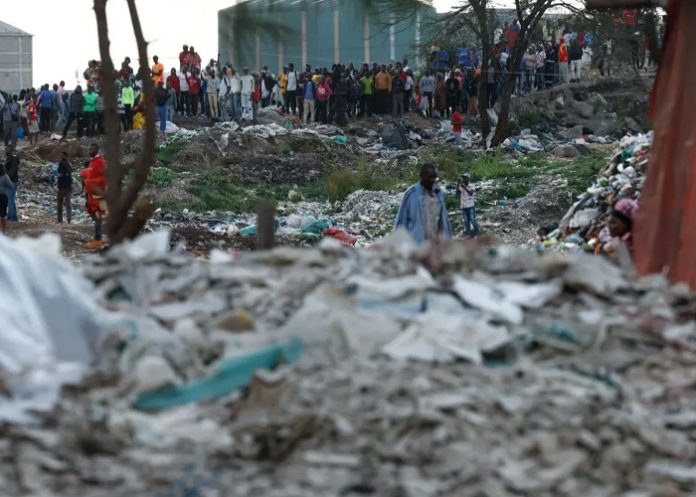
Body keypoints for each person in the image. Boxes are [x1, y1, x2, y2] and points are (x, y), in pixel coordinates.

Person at [394, 163, 452, 244]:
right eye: (430, 178)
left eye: (434, 178)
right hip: (416, 245)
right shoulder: (411, 194)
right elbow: (401, 222)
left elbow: (444, 221)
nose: (432, 181)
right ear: (422, 177)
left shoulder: (438, 194)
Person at [80, 143, 107, 250]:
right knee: (94, 214)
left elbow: (102, 178)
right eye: (89, 148)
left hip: (97, 194)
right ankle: (97, 237)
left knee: (98, 215)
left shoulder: (99, 162)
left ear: (97, 149)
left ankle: (98, 240)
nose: (89, 150)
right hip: (92, 194)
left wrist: (87, 181)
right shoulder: (93, 162)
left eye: (92, 149)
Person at [56, 151, 72, 224]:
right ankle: (69, 219)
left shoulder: (61, 163)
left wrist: (57, 177)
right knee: (68, 203)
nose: (60, 156)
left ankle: (60, 220)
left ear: (65, 156)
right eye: (60, 155)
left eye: (62, 155)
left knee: (60, 203)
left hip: (62, 186)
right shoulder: (69, 164)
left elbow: (61, 174)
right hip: (69, 186)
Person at [5, 147, 19, 222]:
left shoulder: (13, 160)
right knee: (10, 199)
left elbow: (12, 172)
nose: (6, 151)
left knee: (10, 199)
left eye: (7, 149)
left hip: (13, 182)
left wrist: (4, 172)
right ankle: (13, 216)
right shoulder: (9, 159)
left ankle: (12, 217)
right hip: (11, 181)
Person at [0, 163, 13, 234]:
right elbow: (11, 186)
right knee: (3, 215)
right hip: (2, 197)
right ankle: (4, 231)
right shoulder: (5, 177)